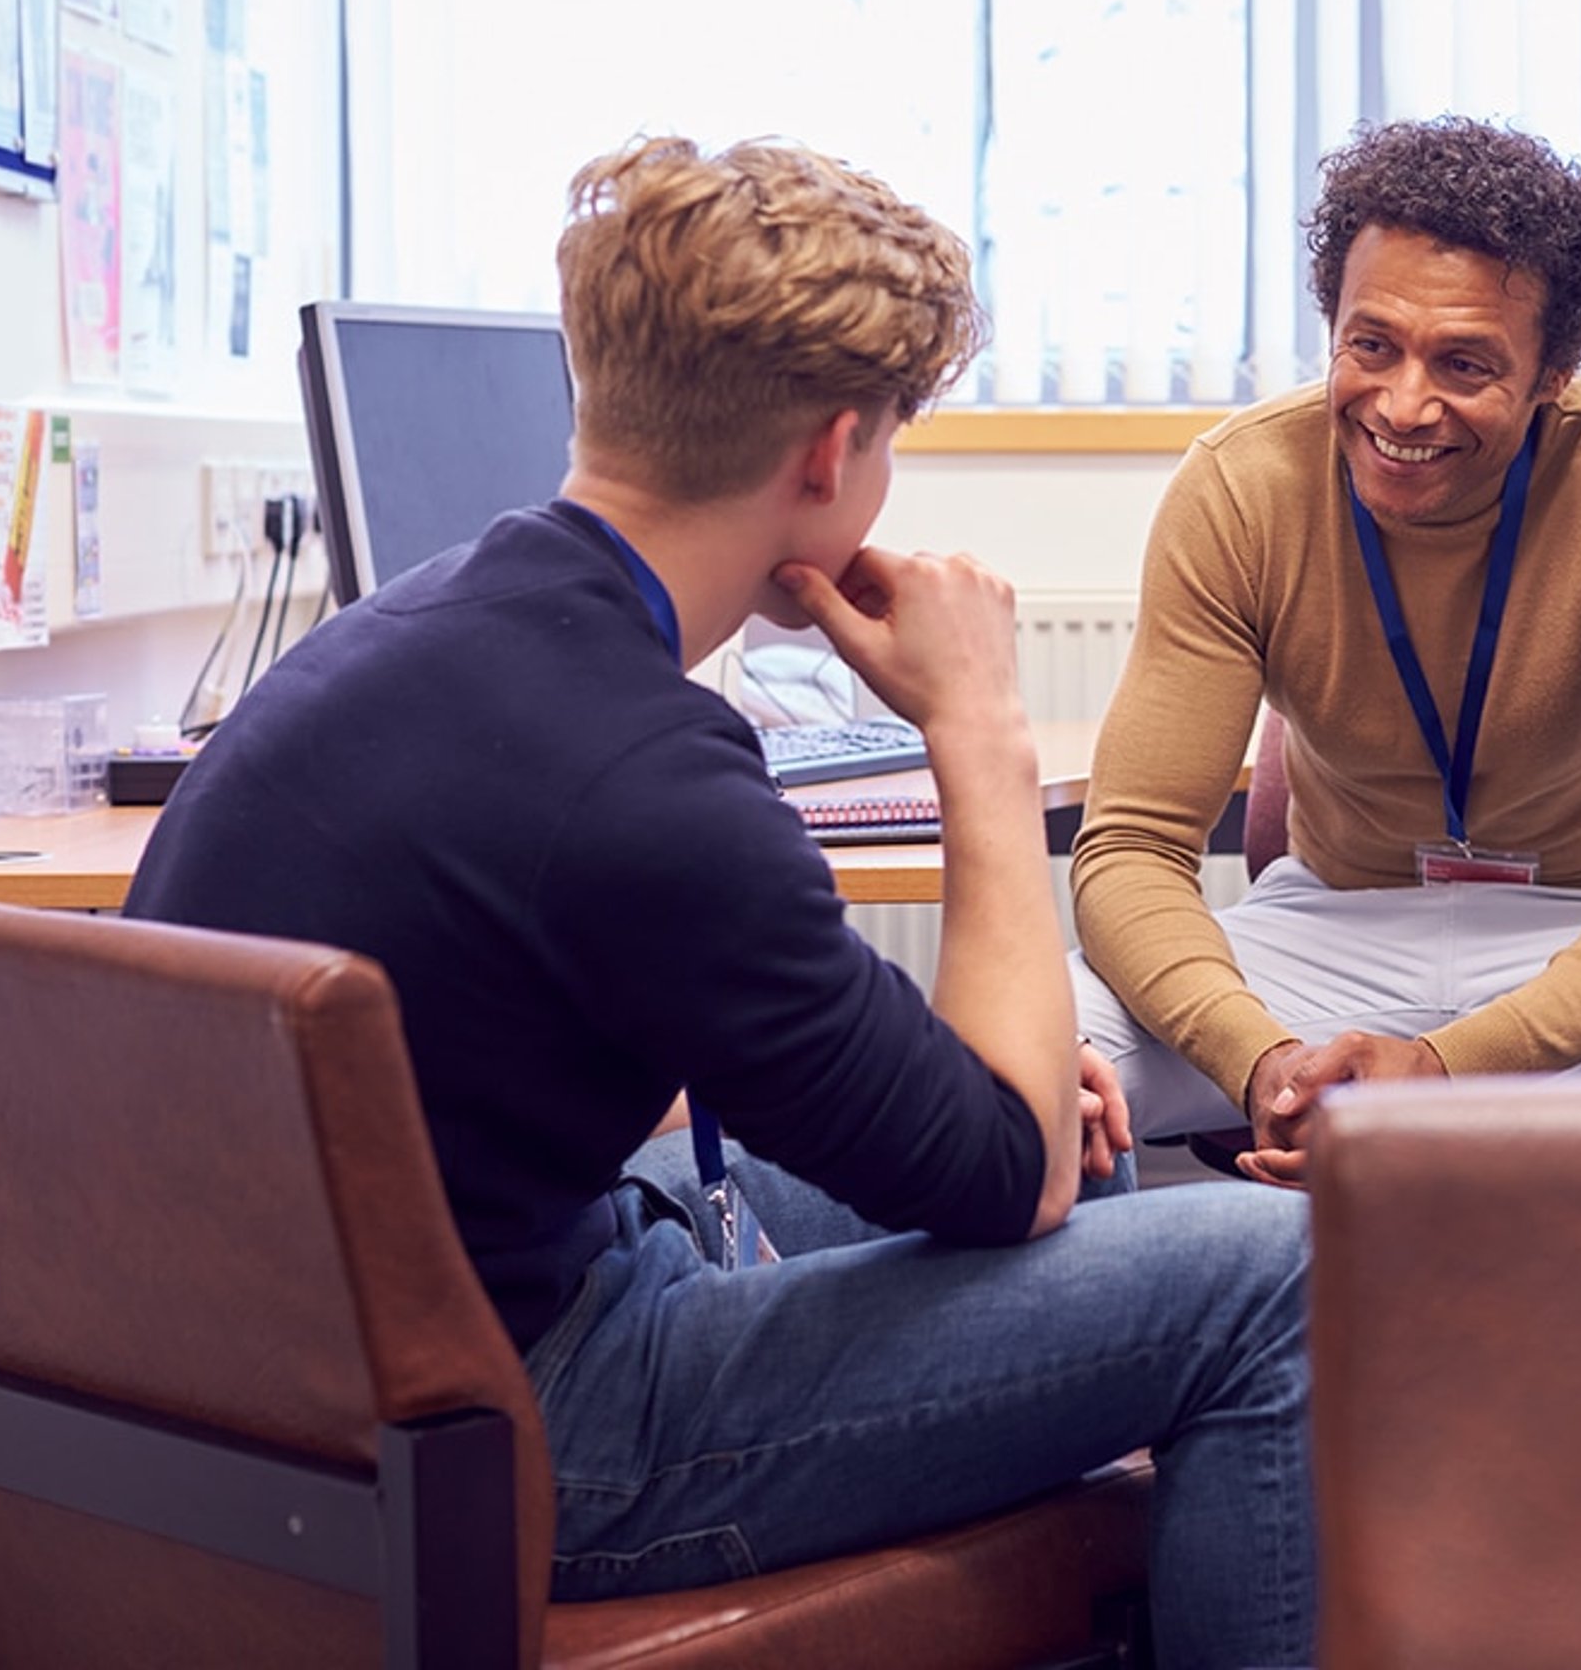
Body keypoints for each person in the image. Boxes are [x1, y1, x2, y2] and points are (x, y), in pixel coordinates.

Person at [125, 135, 1315, 1668]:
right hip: (521, 1426)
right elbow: (1001, 1173)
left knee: (1089, 1159)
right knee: (1270, 1278)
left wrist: (1006, 1121)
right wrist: (983, 733)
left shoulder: (425, 623)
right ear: (831, 457)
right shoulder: (644, 776)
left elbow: (963, 1125)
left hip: (308, 1367)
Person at [1071, 115, 1581, 1189]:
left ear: (1554, 371)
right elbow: (1131, 851)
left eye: (1464, 362)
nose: (1404, 404)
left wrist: (1447, 1067)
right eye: (1371, 344)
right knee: (1037, 1050)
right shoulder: (1241, 487)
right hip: (1333, 930)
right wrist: (1264, 1062)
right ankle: (1159, 1341)